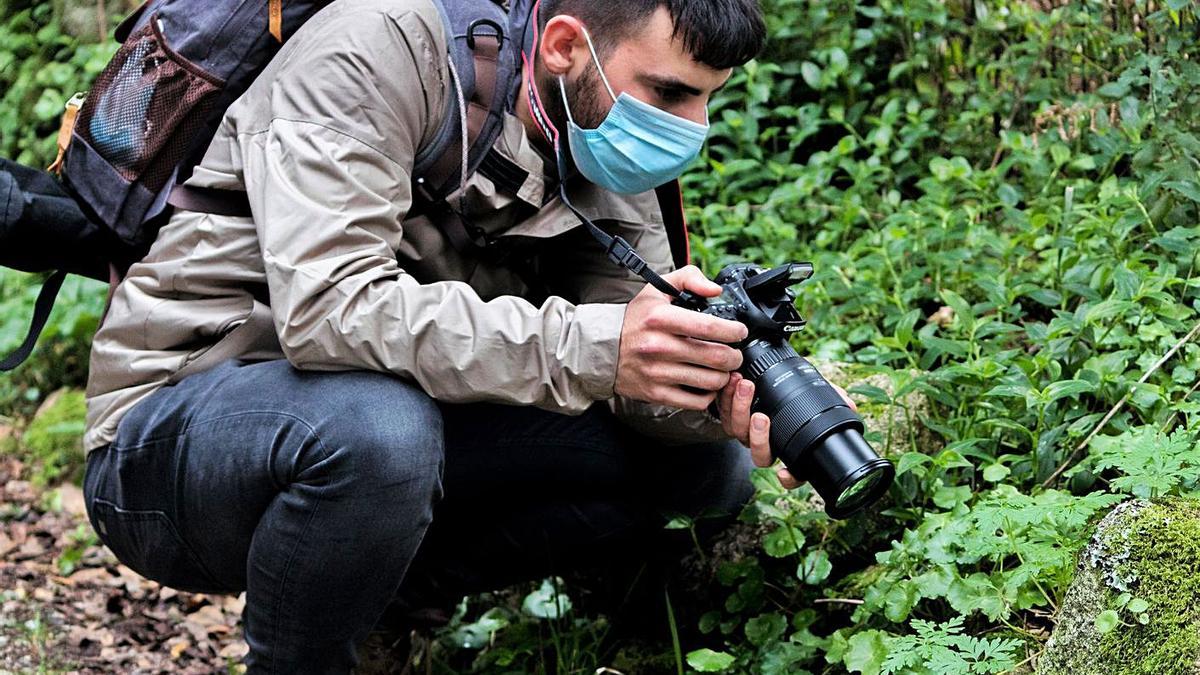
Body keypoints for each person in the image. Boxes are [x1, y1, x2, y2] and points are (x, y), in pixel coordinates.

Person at [79, 0, 842, 671]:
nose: (688, 128)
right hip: (171, 437)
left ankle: (381, 606)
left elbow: (623, 348)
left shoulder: (599, 135)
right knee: (379, 433)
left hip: (390, 423)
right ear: (566, 47)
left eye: (707, 100)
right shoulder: (377, 45)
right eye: (670, 92)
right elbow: (331, 311)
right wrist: (600, 346)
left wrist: (705, 391)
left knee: (703, 473)